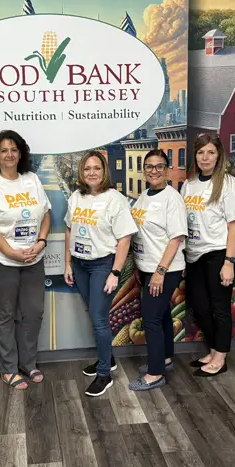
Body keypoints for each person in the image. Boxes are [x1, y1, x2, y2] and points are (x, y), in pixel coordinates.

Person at [0, 130, 51, 390]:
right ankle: (8, 368)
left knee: (33, 312)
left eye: (14, 150)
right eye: (4, 150)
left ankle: (28, 363)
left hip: (32, 257)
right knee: (5, 314)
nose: (9, 154)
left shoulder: (32, 179)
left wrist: (41, 241)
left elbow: (46, 213)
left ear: (20, 153)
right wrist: (9, 251)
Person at [64, 151, 137, 397]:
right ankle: (109, 358)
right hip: (80, 265)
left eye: (96, 168)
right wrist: (68, 263)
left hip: (102, 265)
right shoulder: (76, 197)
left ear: (104, 171)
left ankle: (104, 374)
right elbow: (69, 229)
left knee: (99, 319)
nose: (92, 173)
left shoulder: (115, 199)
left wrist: (115, 272)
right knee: (95, 314)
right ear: (81, 172)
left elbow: (125, 238)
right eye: (87, 169)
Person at [181, 134, 235, 378]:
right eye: (200, 152)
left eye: (210, 152)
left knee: (220, 308)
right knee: (200, 307)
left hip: (218, 253)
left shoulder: (227, 183)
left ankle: (221, 358)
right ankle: (214, 350)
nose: (205, 157)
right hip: (194, 254)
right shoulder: (189, 184)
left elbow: (234, 226)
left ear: (219, 156)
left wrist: (229, 262)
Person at [128, 150, 187, 392]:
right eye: (149, 166)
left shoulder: (172, 198)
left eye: (159, 166)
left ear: (167, 169)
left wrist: (160, 272)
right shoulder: (144, 196)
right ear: (144, 170)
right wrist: (139, 266)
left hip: (165, 269)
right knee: (162, 316)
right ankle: (165, 359)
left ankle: (155, 374)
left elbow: (176, 238)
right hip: (147, 267)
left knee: (151, 318)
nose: (154, 171)